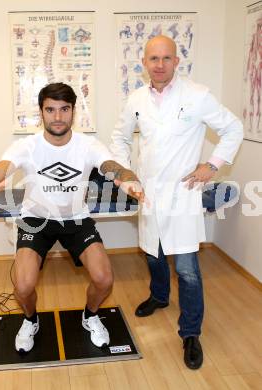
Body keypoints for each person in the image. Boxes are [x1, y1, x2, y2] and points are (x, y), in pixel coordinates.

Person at [0, 82, 143, 353]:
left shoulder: (88, 145)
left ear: (73, 111)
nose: (57, 116)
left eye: (64, 109)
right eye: (50, 109)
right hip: (36, 220)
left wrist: (127, 181)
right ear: (41, 112)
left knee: (104, 279)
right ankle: (30, 320)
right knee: (24, 284)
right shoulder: (27, 146)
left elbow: (112, 167)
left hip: (76, 219)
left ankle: (90, 316)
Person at [110, 35, 243, 369]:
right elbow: (119, 138)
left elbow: (233, 128)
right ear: (144, 62)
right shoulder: (136, 98)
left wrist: (212, 165)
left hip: (183, 194)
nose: (159, 65)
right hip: (149, 192)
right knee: (153, 253)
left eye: (166, 58)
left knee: (187, 269)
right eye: (153, 58)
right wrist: (125, 174)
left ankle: (190, 332)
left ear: (176, 61)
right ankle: (158, 295)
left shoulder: (197, 96)